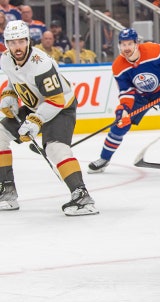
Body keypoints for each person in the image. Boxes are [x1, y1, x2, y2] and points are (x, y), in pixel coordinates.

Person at [0, 20, 98, 215]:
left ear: (28, 41)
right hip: (34, 106)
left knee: (55, 149)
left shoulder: (41, 64)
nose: (17, 47)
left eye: (20, 41)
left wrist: (36, 121)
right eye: (12, 42)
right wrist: (9, 96)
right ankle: (7, 193)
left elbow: (56, 99)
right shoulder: (5, 58)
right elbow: (13, 80)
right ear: (6, 43)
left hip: (61, 107)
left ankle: (82, 197)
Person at [88, 28, 160, 173]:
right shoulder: (118, 66)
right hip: (141, 95)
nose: (126, 48)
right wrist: (123, 109)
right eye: (123, 45)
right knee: (120, 124)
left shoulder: (154, 50)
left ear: (137, 44)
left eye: (129, 44)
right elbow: (126, 92)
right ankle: (104, 159)